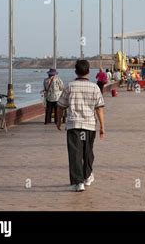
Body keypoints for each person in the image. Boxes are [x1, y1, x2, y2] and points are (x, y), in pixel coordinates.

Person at [56, 59, 105, 192]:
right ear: (88, 71)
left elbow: (60, 106)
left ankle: (78, 183)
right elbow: (99, 108)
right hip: (89, 125)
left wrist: (59, 121)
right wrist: (102, 127)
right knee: (88, 152)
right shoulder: (95, 87)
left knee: (75, 153)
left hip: (74, 125)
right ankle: (87, 176)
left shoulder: (70, 86)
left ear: (76, 71)